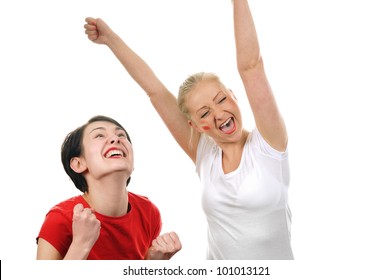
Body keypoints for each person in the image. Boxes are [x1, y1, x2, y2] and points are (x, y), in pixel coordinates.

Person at [84, 0, 293, 260]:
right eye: (204, 113)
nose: (218, 114)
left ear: (234, 96)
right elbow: (155, 90)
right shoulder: (204, 153)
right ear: (194, 125)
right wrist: (111, 39)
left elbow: (251, 67)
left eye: (221, 99)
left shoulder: (269, 146)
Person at [36, 115, 182, 260]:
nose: (115, 139)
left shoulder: (149, 213)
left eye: (121, 135)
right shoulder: (59, 220)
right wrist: (81, 245)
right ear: (78, 164)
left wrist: (152, 265)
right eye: (99, 135)